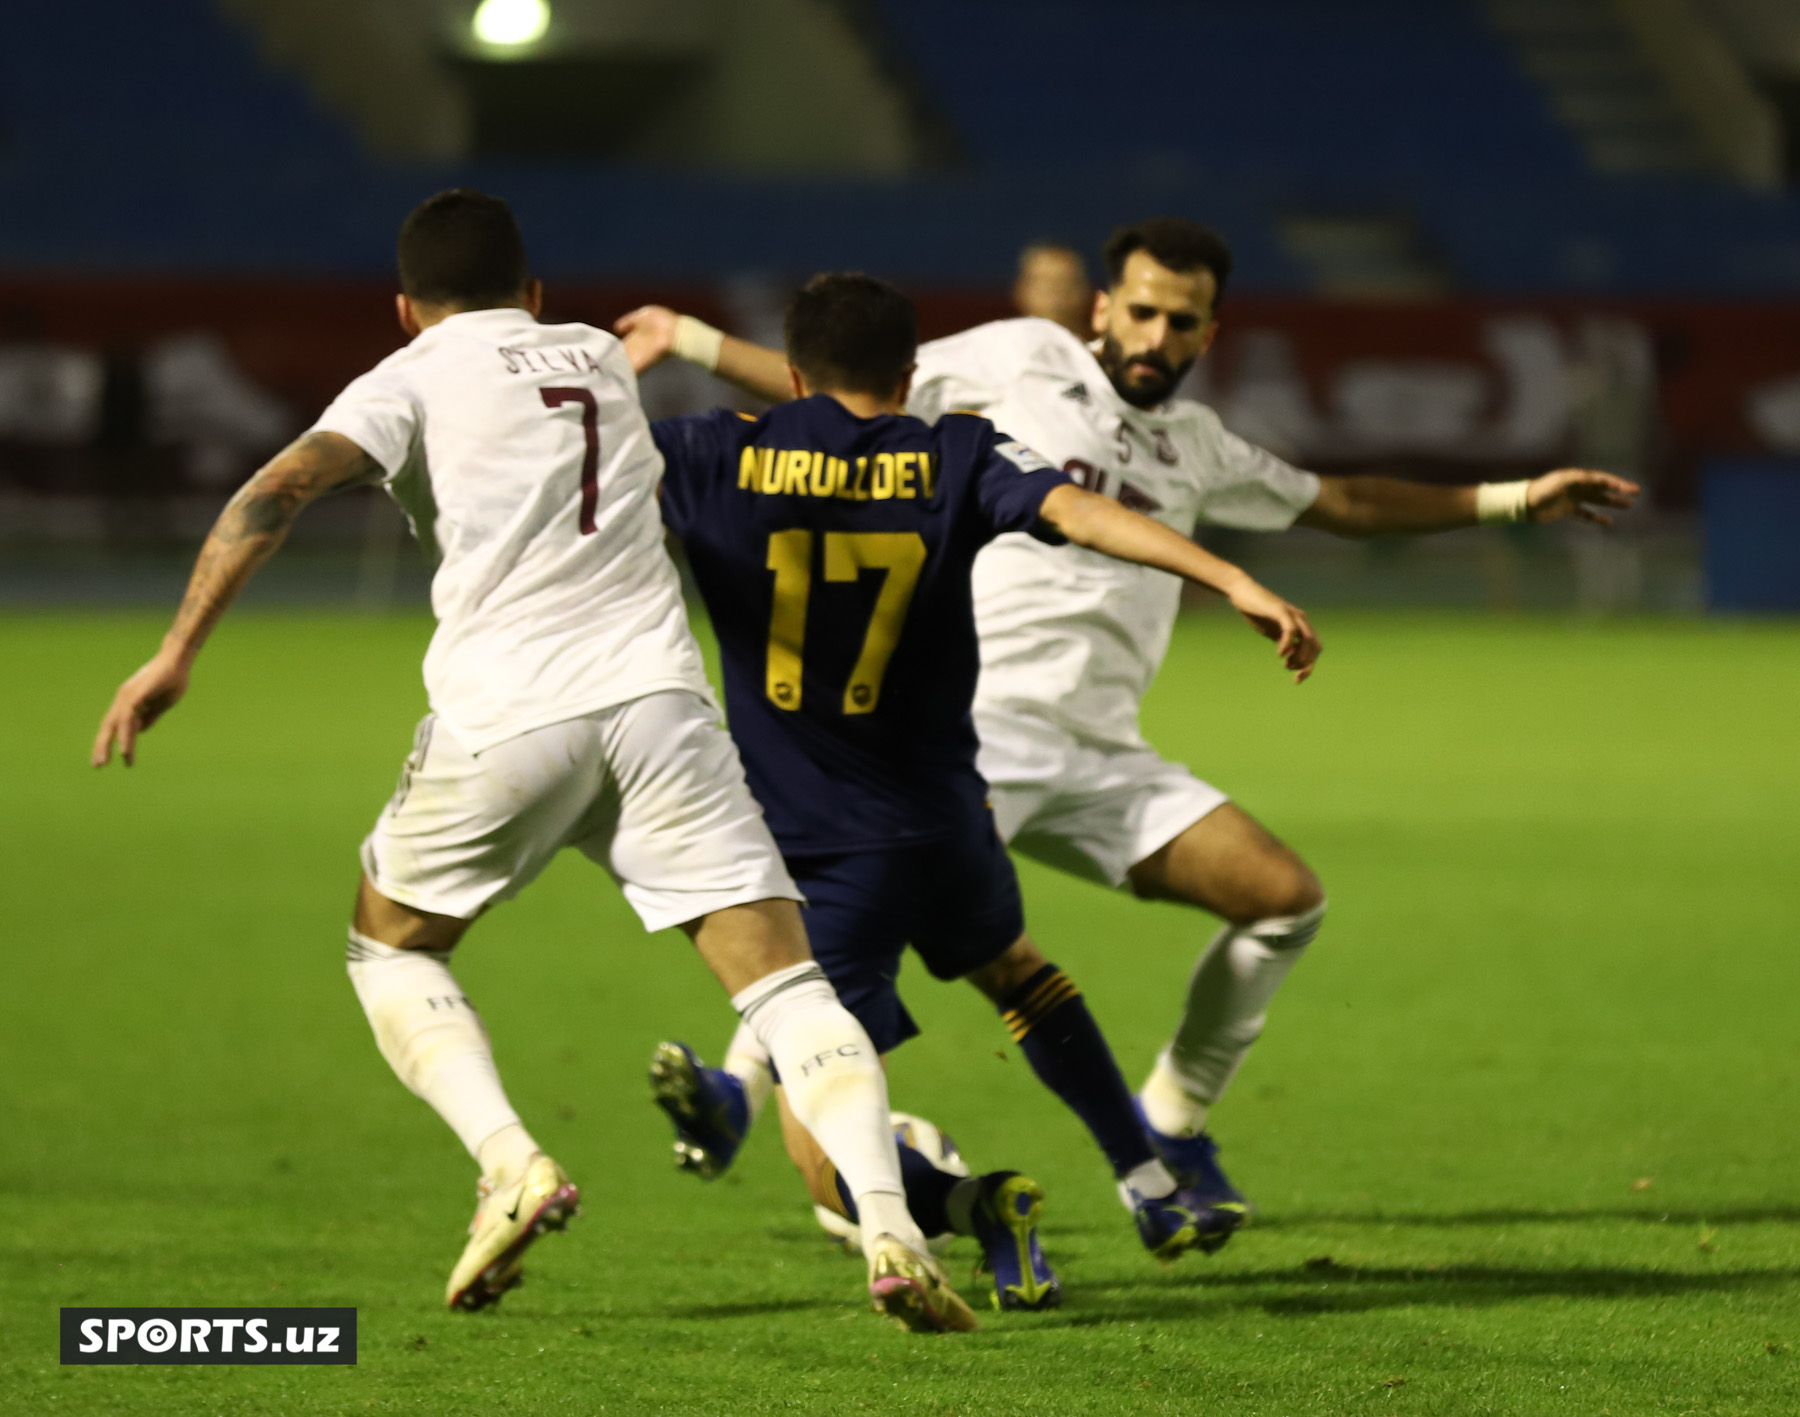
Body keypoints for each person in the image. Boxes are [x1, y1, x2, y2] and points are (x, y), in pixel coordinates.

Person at [615, 216, 1640, 1251]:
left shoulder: (1200, 449)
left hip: (1104, 758)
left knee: (1284, 901)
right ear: (1104, 309)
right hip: (981, 731)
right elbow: (839, 385)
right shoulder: (1022, 359)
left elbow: (1347, 500)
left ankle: (1170, 1124)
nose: (1155, 335)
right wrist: (695, 340)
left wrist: (1517, 497)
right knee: (894, 929)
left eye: (1180, 322)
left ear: (1207, 334)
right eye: (1140, 310)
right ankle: (765, 1097)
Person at [90, 190, 977, 1334]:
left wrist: (175, 653)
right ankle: (892, 1228)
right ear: (538, 292)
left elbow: (277, 487)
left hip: (509, 716)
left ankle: (510, 1162)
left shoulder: (404, 376)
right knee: (788, 986)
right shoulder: (597, 353)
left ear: (405, 307)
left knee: (390, 945)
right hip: (661, 706)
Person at [637, 271, 1320, 1291]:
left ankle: (968, 1202)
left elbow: (577, 485)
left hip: (827, 847)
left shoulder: (715, 453)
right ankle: (1145, 1173)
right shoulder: (955, 450)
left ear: (789, 372)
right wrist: (1231, 576)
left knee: (823, 1158)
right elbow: (1082, 511)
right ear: (912, 373)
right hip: (953, 817)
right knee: (1019, 973)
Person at [1012, 243, 1093, 338]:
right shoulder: (996, 347)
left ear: (1085, 291)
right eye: (1044, 283)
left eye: (1065, 283)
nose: (1054, 294)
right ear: (1020, 289)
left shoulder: (1104, 350)